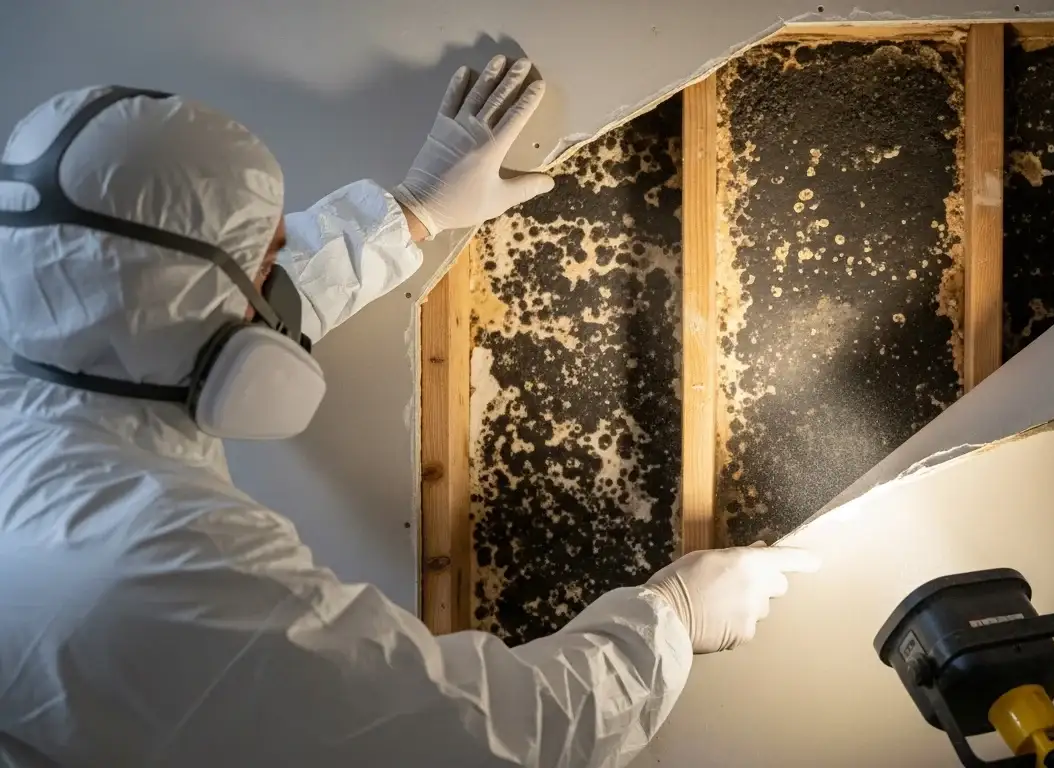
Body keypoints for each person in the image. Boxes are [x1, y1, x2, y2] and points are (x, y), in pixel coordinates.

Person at [0, 57, 819, 767]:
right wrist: (668, 622)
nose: (275, 278)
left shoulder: (45, 365)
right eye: (265, 257)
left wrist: (411, 210)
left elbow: (176, 309)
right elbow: (485, 740)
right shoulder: (169, 573)